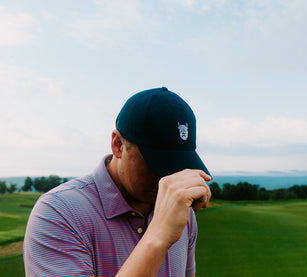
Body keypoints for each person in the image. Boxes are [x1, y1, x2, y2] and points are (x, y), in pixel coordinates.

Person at [23, 87, 212, 277]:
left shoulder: (183, 213)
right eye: (156, 162)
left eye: (179, 166)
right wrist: (158, 236)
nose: (167, 178)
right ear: (118, 145)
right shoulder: (59, 213)